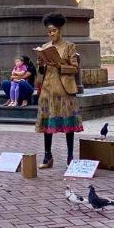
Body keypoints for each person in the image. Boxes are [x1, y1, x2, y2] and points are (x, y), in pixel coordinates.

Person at [35, 12, 83, 168]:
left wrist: (60, 65)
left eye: (54, 31)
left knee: (68, 125)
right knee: (47, 125)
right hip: (48, 90)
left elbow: (75, 68)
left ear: (60, 30)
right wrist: (41, 65)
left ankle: (70, 156)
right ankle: (47, 156)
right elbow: (41, 72)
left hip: (64, 91)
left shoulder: (69, 47)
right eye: (49, 31)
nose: (51, 34)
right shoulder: (45, 47)